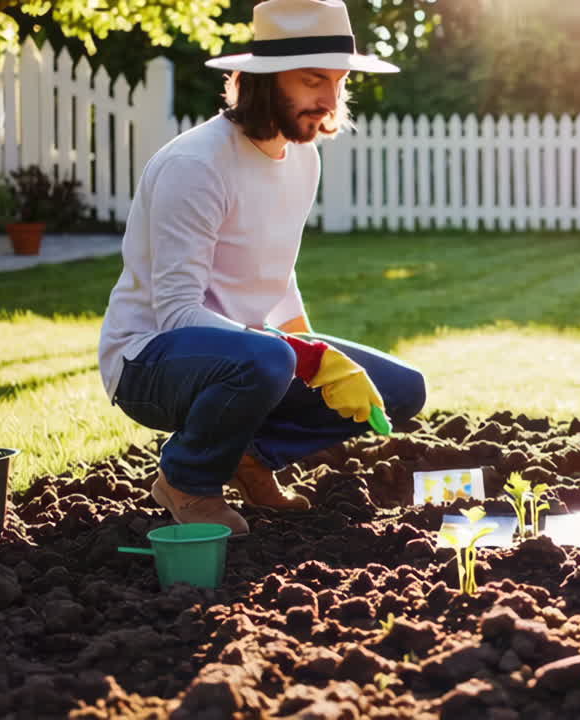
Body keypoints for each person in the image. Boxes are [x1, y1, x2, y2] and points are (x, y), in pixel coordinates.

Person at [98, 0, 426, 535]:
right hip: (148, 362)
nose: (329, 100)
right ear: (263, 80)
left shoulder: (302, 157)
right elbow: (178, 313)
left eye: (338, 82)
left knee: (403, 388)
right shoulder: (196, 165)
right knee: (272, 359)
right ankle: (186, 479)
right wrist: (302, 358)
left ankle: (250, 457)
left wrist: (310, 349)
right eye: (313, 81)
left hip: (252, 352)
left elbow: (276, 271)